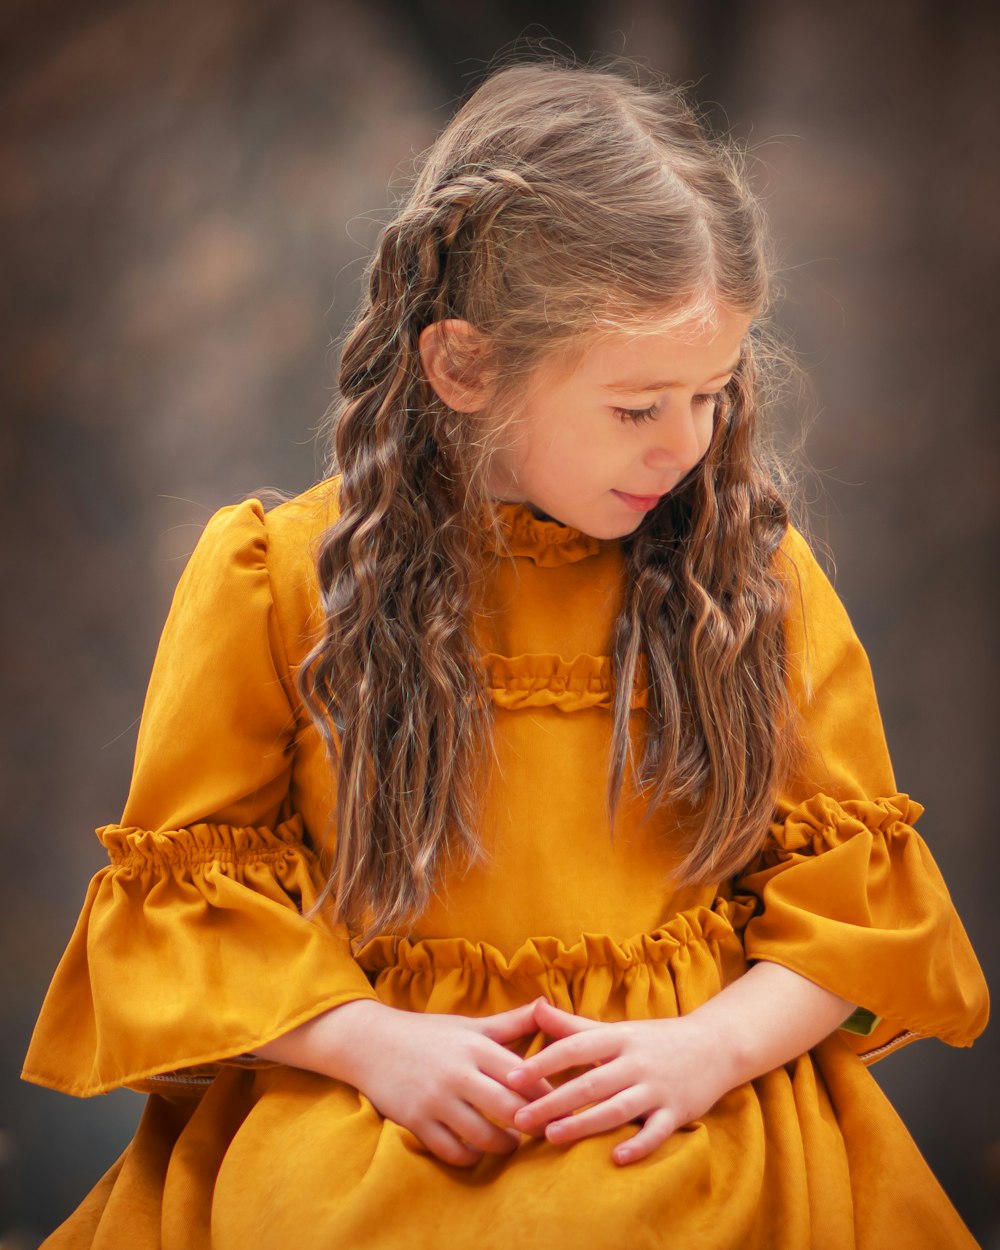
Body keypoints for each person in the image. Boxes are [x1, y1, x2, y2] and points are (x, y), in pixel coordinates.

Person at [24, 58, 988, 1249]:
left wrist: (707, 1048)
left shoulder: (754, 581)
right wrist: (369, 1040)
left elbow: (851, 913)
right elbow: (184, 902)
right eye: (637, 407)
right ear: (465, 366)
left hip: (688, 1101)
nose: (684, 445)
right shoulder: (276, 579)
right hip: (370, 1091)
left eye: (712, 394)